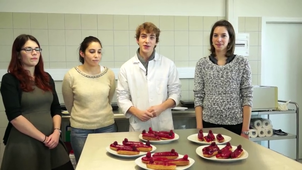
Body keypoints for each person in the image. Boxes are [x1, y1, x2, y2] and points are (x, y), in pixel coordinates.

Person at [0, 34, 73, 170]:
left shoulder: (46, 78)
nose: (34, 53)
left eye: (37, 49)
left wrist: (57, 132)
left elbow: (56, 109)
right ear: (18, 54)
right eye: (28, 49)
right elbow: (14, 117)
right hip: (25, 143)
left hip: (53, 140)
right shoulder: (9, 80)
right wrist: (43, 139)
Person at [116, 22, 181, 132]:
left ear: (156, 41)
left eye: (152, 37)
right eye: (143, 36)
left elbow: (176, 93)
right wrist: (137, 113)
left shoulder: (168, 65)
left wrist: (161, 108)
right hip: (139, 126)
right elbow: (122, 97)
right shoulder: (126, 68)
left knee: (164, 149)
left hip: (163, 127)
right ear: (137, 40)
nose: (147, 41)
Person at [193, 20, 253, 139]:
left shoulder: (242, 63)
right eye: (215, 35)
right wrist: (200, 128)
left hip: (235, 125)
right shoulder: (202, 64)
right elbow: (198, 97)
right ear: (211, 38)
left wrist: (245, 131)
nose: (218, 39)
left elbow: (247, 96)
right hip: (209, 124)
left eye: (223, 35)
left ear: (230, 39)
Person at [62, 36, 116, 163]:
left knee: (106, 164)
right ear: (82, 53)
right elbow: (69, 104)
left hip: (106, 127)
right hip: (80, 130)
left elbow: (109, 99)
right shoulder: (71, 75)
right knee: (84, 165)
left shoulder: (109, 74)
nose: (96, 55)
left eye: (99, 51)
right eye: (92, 52)